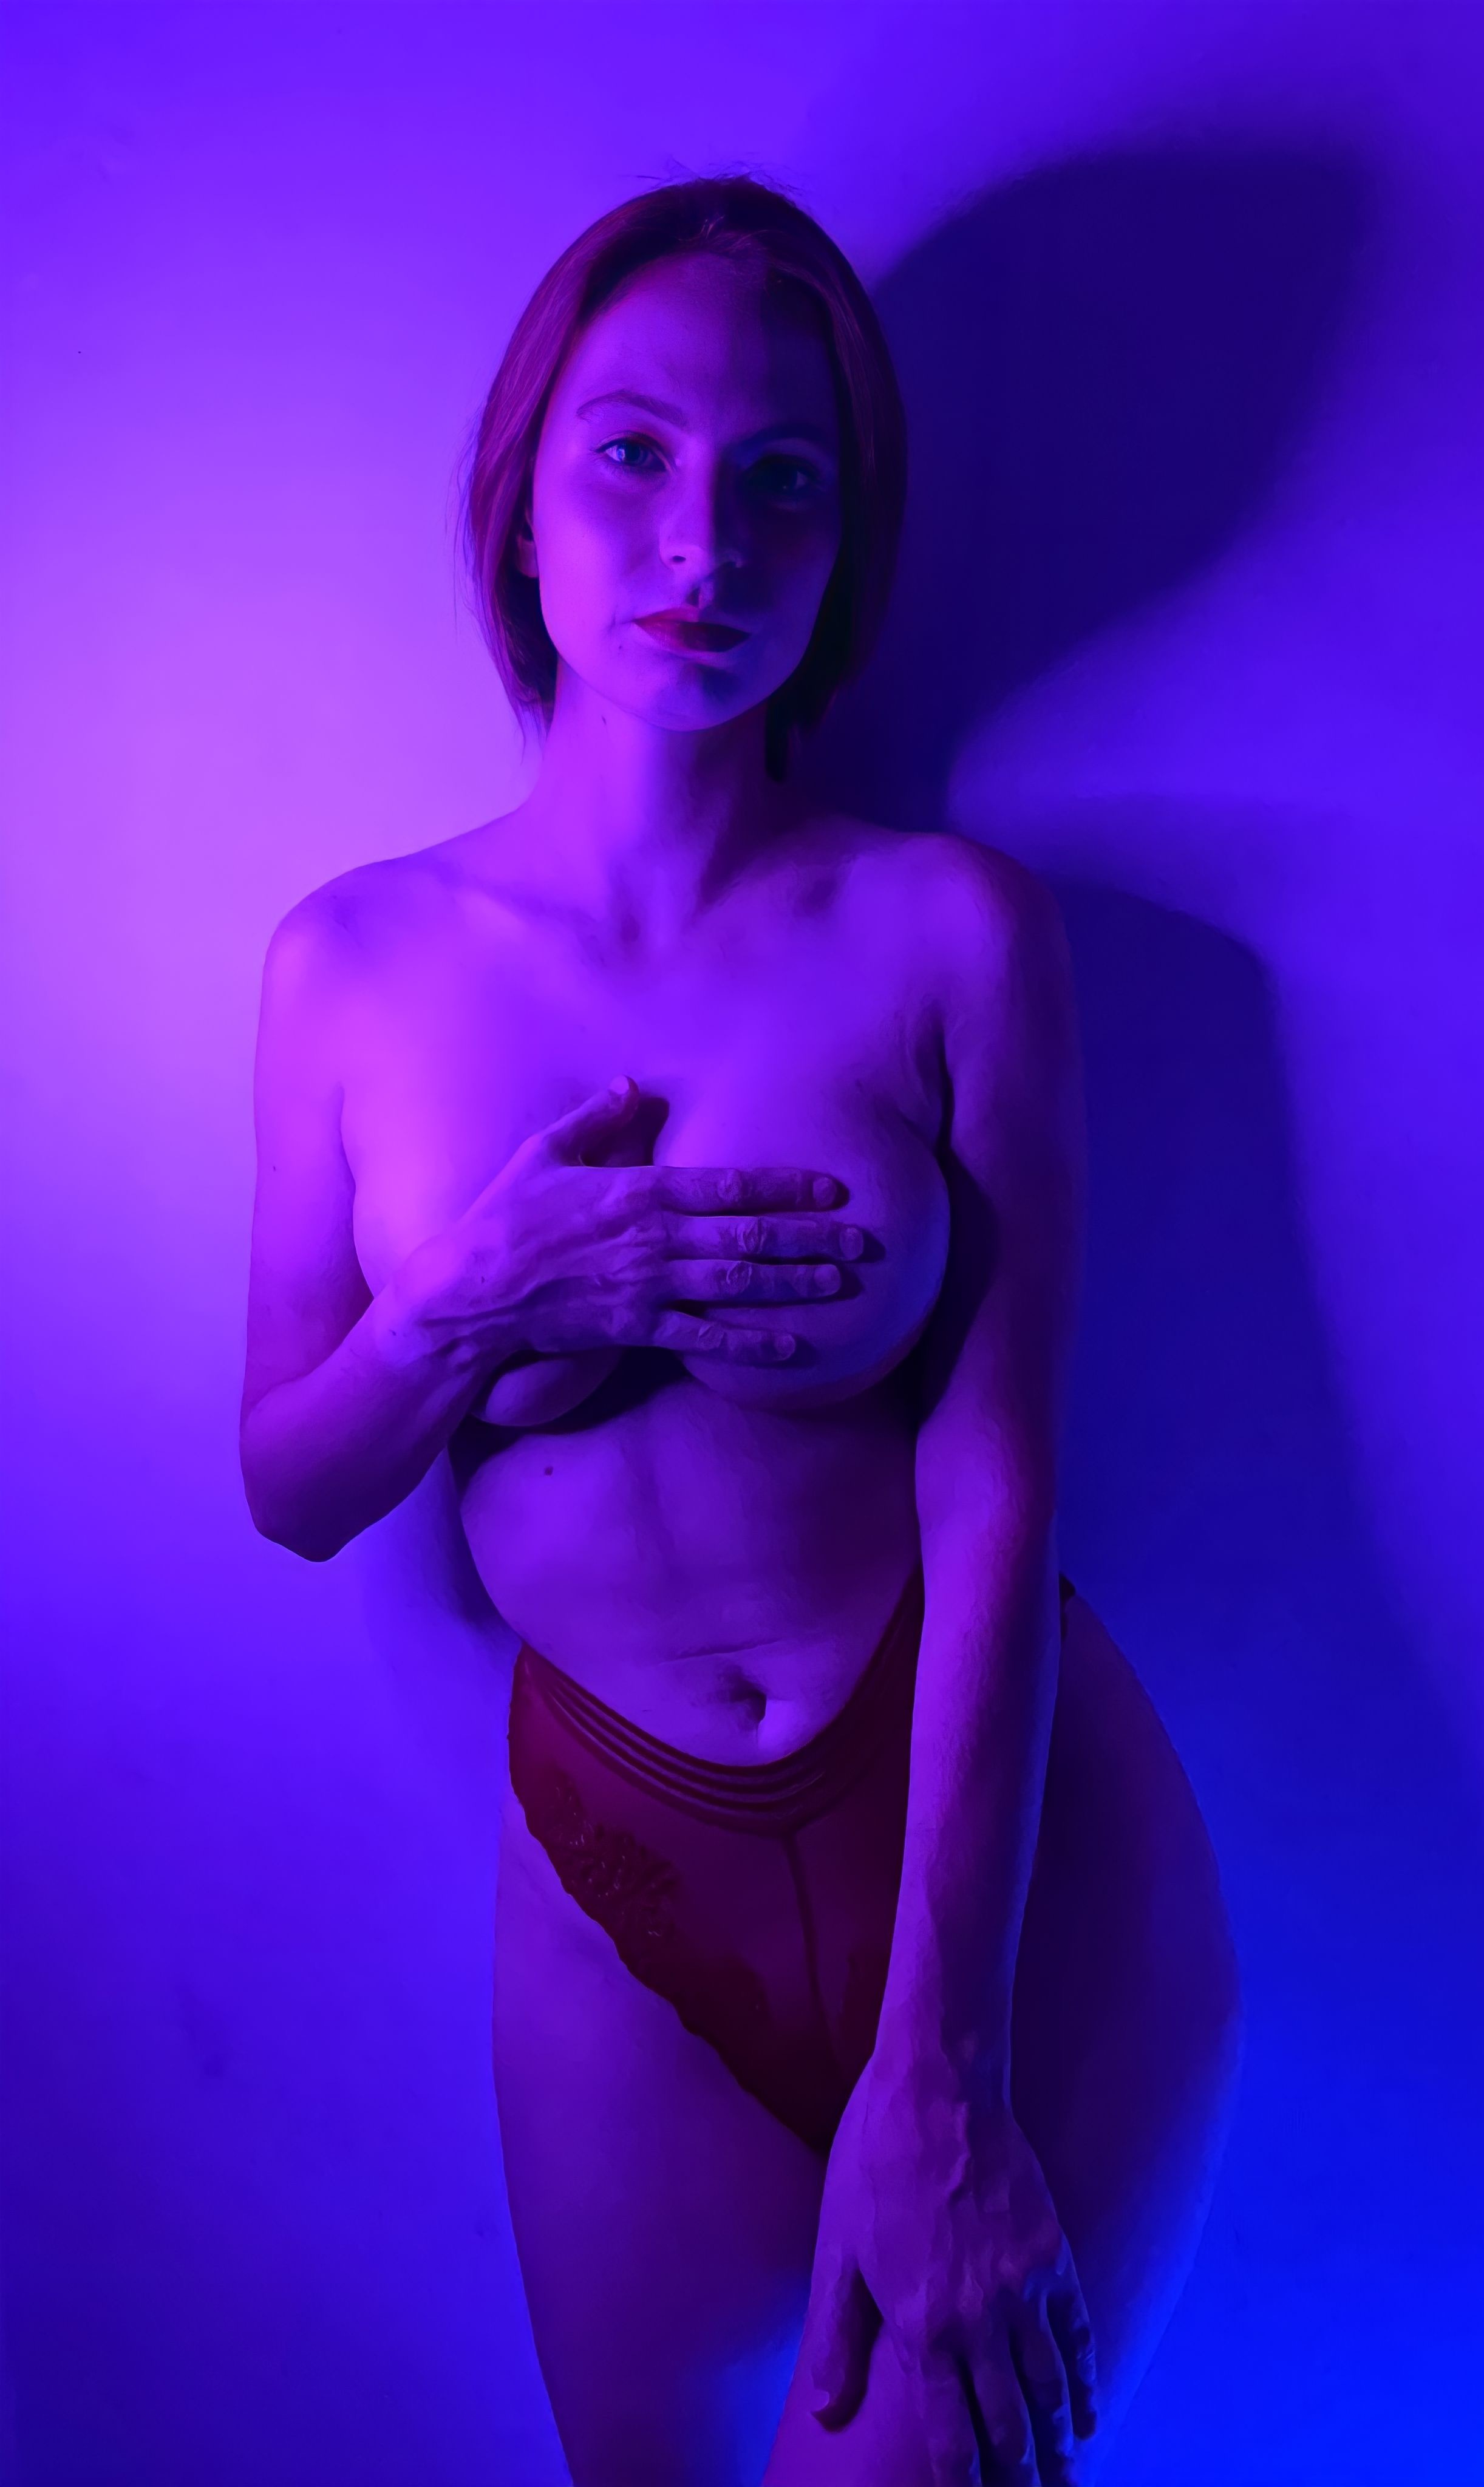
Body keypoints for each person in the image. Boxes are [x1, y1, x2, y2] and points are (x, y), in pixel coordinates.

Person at [240, 175, 1241, 2487]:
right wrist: (471, 1304)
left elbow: (1000, 1488)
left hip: (1002, 1847)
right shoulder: (349, 966)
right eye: (634, 452)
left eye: (785, 477)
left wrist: (945, 2065)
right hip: (619, 1866)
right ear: (520, 490)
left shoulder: (950, 933)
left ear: (849, 535)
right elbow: (292, 1482)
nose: (706, 538)